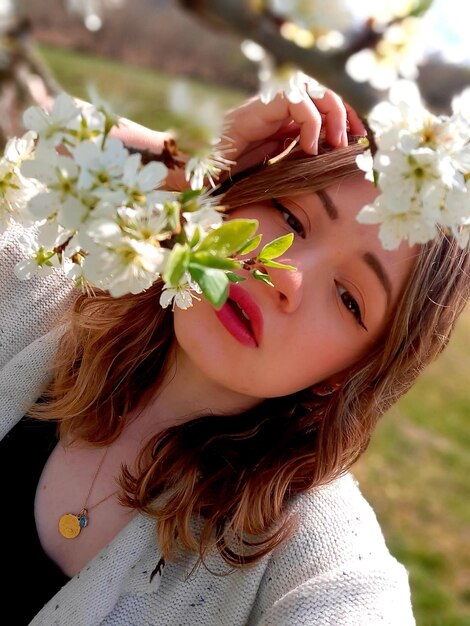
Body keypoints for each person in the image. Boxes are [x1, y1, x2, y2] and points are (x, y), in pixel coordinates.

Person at [0, 87, 468, 626]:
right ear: (231, 193)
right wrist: (170, 159)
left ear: (347, 374)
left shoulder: (308, 554)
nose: (285, 275)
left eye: (348, 298)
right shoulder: (37, 294)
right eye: (290, 218)